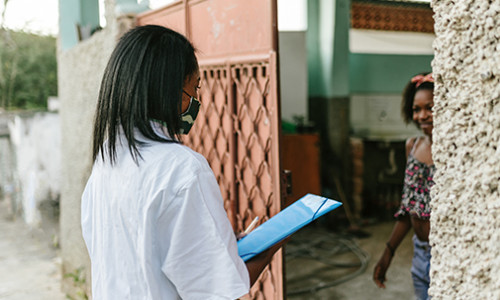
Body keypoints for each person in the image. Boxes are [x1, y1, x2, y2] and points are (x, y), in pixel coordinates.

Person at [81, 25, 282, 299]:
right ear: (169, 88)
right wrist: (273, 243)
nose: (197, 100)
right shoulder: (182, 169)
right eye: (195, 87)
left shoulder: (107, 161)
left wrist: (219, 241)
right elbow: (216, 289)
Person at [373, 72, 435, 300]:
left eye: (430, 107)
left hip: (445, 254)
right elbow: (408, 208)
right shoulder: (413, 146)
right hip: (420, 253)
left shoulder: (453, 151)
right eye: (416, 109)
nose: (422, 116)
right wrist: (388, 253)